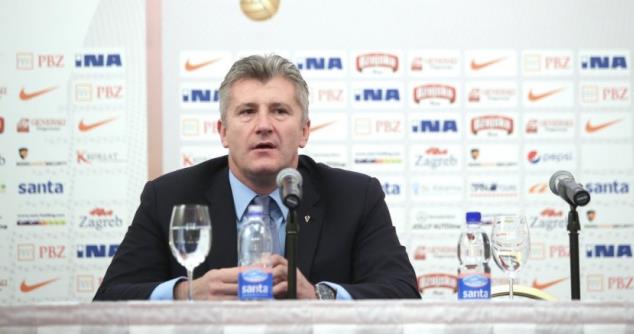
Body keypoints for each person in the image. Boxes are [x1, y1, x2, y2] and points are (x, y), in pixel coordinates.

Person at [94, 54, 419, 300]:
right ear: (223, 132)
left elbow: (403, 292)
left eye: (279, 111)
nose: (264, 126)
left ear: (304, 131)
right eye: (247, 111)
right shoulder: (169, 197)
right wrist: (186, 293)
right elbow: (109, 297)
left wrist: (319, 296)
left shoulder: (355, 196)